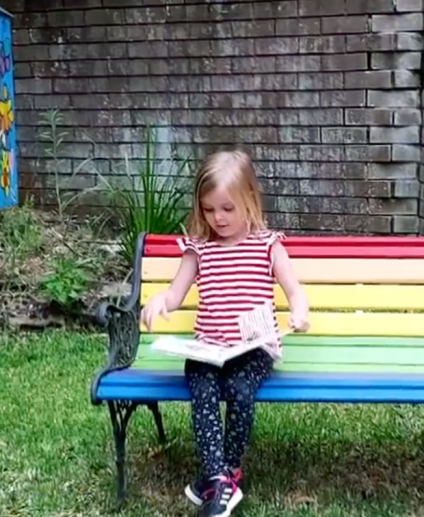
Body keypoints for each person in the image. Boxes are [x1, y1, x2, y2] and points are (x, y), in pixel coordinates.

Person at [140, 149, 310, 517]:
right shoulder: (198, 250)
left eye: (227, 209)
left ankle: (221, 476)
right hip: (209, 349)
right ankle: (222, 480)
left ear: (250, 199)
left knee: (239, 389)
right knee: (201, 387)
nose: (218, 218)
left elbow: (294, 291)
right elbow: (174, 294)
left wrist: (299, 313)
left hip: (254, 349)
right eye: (209, 209)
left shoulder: (267, 245)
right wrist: (160, 302)